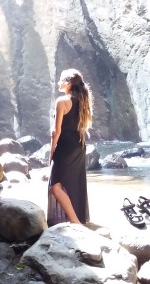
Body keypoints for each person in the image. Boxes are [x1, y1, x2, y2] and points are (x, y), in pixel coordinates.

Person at [47, 68, 93, 226]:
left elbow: (56, 131)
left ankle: (75, 223)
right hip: (78, 146)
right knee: (73, 183)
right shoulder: (82, 101)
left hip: (65, 148)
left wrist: (51, 151)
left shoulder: (62, 101)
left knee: (56, 186)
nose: (59, 82)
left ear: (67, 83)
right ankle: (76, 219)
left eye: (61, 79)